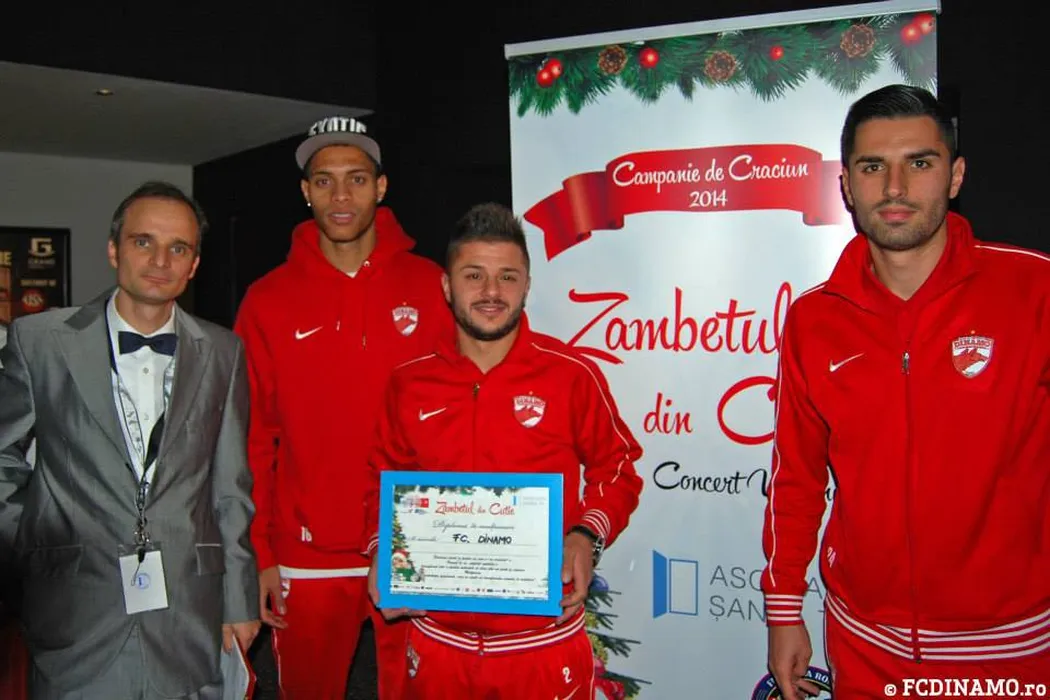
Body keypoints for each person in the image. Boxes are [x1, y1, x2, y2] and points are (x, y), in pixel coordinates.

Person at [761, 84, 1050, 699]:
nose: (894, 188)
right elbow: (796, 478)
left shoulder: (1034, 292)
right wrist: (784, 608)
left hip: (1012, 647)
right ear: (846, 185)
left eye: (919, 163)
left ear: (955, 175)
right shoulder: (814, 319)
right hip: (865, 645)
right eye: (873, 167)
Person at [364, 202, 645, 699]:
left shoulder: (571, 375)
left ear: (527, 285)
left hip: (542, 647)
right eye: (474, 275)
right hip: (439, 646)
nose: (492, 292)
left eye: (507, 277)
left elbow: (618, 466)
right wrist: (380, 550)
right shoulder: (409, 382)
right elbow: (382, 479)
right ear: (447, 286)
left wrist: (586, 535)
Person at [0, 181, 261, 700]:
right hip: (74, 607)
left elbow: (230, 486)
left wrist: (239, 596)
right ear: (114, 249)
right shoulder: (39, 341)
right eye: (144, 242)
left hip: (190, 610)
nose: (160, 261)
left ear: (194, 265)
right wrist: (31, 543)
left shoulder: (223, 351)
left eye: (178, 248)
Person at [233, 116, 453, 699]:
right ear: (305, 192)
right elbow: (251, 437)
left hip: (413, 536)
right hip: (307, 551)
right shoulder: (267, 300)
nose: (340, 196)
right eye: (324, 181)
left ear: (380, 187)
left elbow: (460, 413)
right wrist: (259, 552)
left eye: (356, 179)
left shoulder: (432, 285)